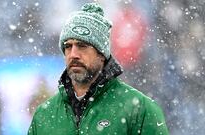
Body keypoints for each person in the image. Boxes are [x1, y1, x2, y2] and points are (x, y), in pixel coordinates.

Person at [28, 3, 169, 135]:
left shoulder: (139, 110)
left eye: (82, 46)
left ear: (102, 54)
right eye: (68, 46)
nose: (73, 54)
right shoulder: (43, 115)